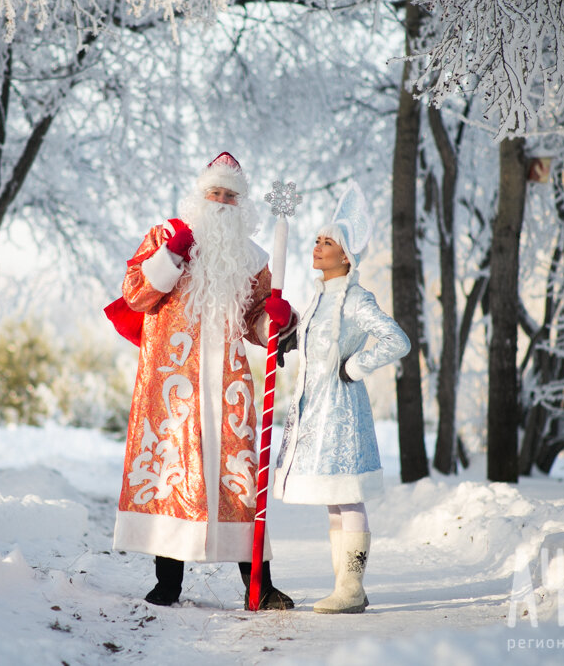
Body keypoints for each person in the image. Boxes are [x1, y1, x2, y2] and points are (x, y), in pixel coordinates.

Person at [110, 152, 295, 610]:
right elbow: (135, 294)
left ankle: (260, 587)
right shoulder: (166, 237)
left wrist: (277, 322)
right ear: (200, 195)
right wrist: (172, 254)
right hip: (172, 382)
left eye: (230, 195)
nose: (221, 201)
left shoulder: (253, 259)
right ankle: (167, 583)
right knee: (171, 474)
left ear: (242, 204)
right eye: (214, 192)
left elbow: (257, 324)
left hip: (228, 385)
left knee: (240, 480)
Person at [273, 185, 410, 614]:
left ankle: (351, 589)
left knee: (348, 495)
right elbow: (312, 343)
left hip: (343, 412)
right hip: (315, 411)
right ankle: (347, 587)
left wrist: (355, 366)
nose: (317, 247)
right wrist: (287, 336)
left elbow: (397, 339)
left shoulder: (355, 298)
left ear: (346, 256)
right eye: (316, 240)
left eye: (327, 242)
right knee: (335, 497)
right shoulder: (318, 297)